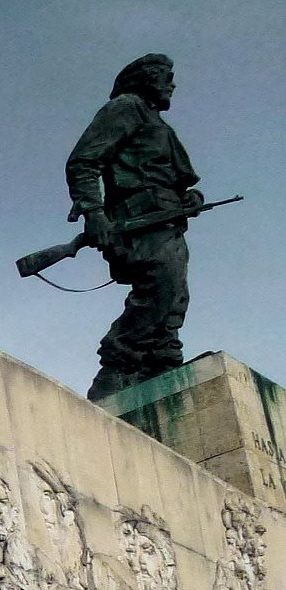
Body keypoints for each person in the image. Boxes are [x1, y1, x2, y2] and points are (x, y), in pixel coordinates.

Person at [66, 53, 202, 400]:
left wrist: (189, 198)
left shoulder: (156, 123)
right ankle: (117, 367)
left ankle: (162, 363)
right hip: (136, 221)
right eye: (163, 76)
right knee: (160, 288)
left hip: (167, 221)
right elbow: (84, 161)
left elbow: (170, 178)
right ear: (142, 79)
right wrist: (94, 213)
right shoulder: (126, 108)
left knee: (175, 297)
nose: (171, 83)